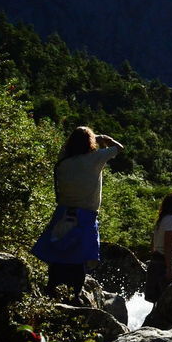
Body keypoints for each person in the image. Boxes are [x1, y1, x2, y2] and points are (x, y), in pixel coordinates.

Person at [34, 126, 124, 298]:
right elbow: (119, 148)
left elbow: (65, 147)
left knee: (58, 253)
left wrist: (88, 138)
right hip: (86, 216)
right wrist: (102, 138)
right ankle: (75, 295)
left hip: (62, 213)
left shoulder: (63, 161)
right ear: (89, 143)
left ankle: (51, 290)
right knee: (79, 257)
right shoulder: (94, 159)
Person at [145, 191, 172, 303]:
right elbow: (167, 245)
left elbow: (153, 242)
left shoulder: (163, 219)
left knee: (158, 303)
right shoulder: (171, 220)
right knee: (168, 302)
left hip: (157, 262)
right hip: (165, 265)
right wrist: (169, 269)